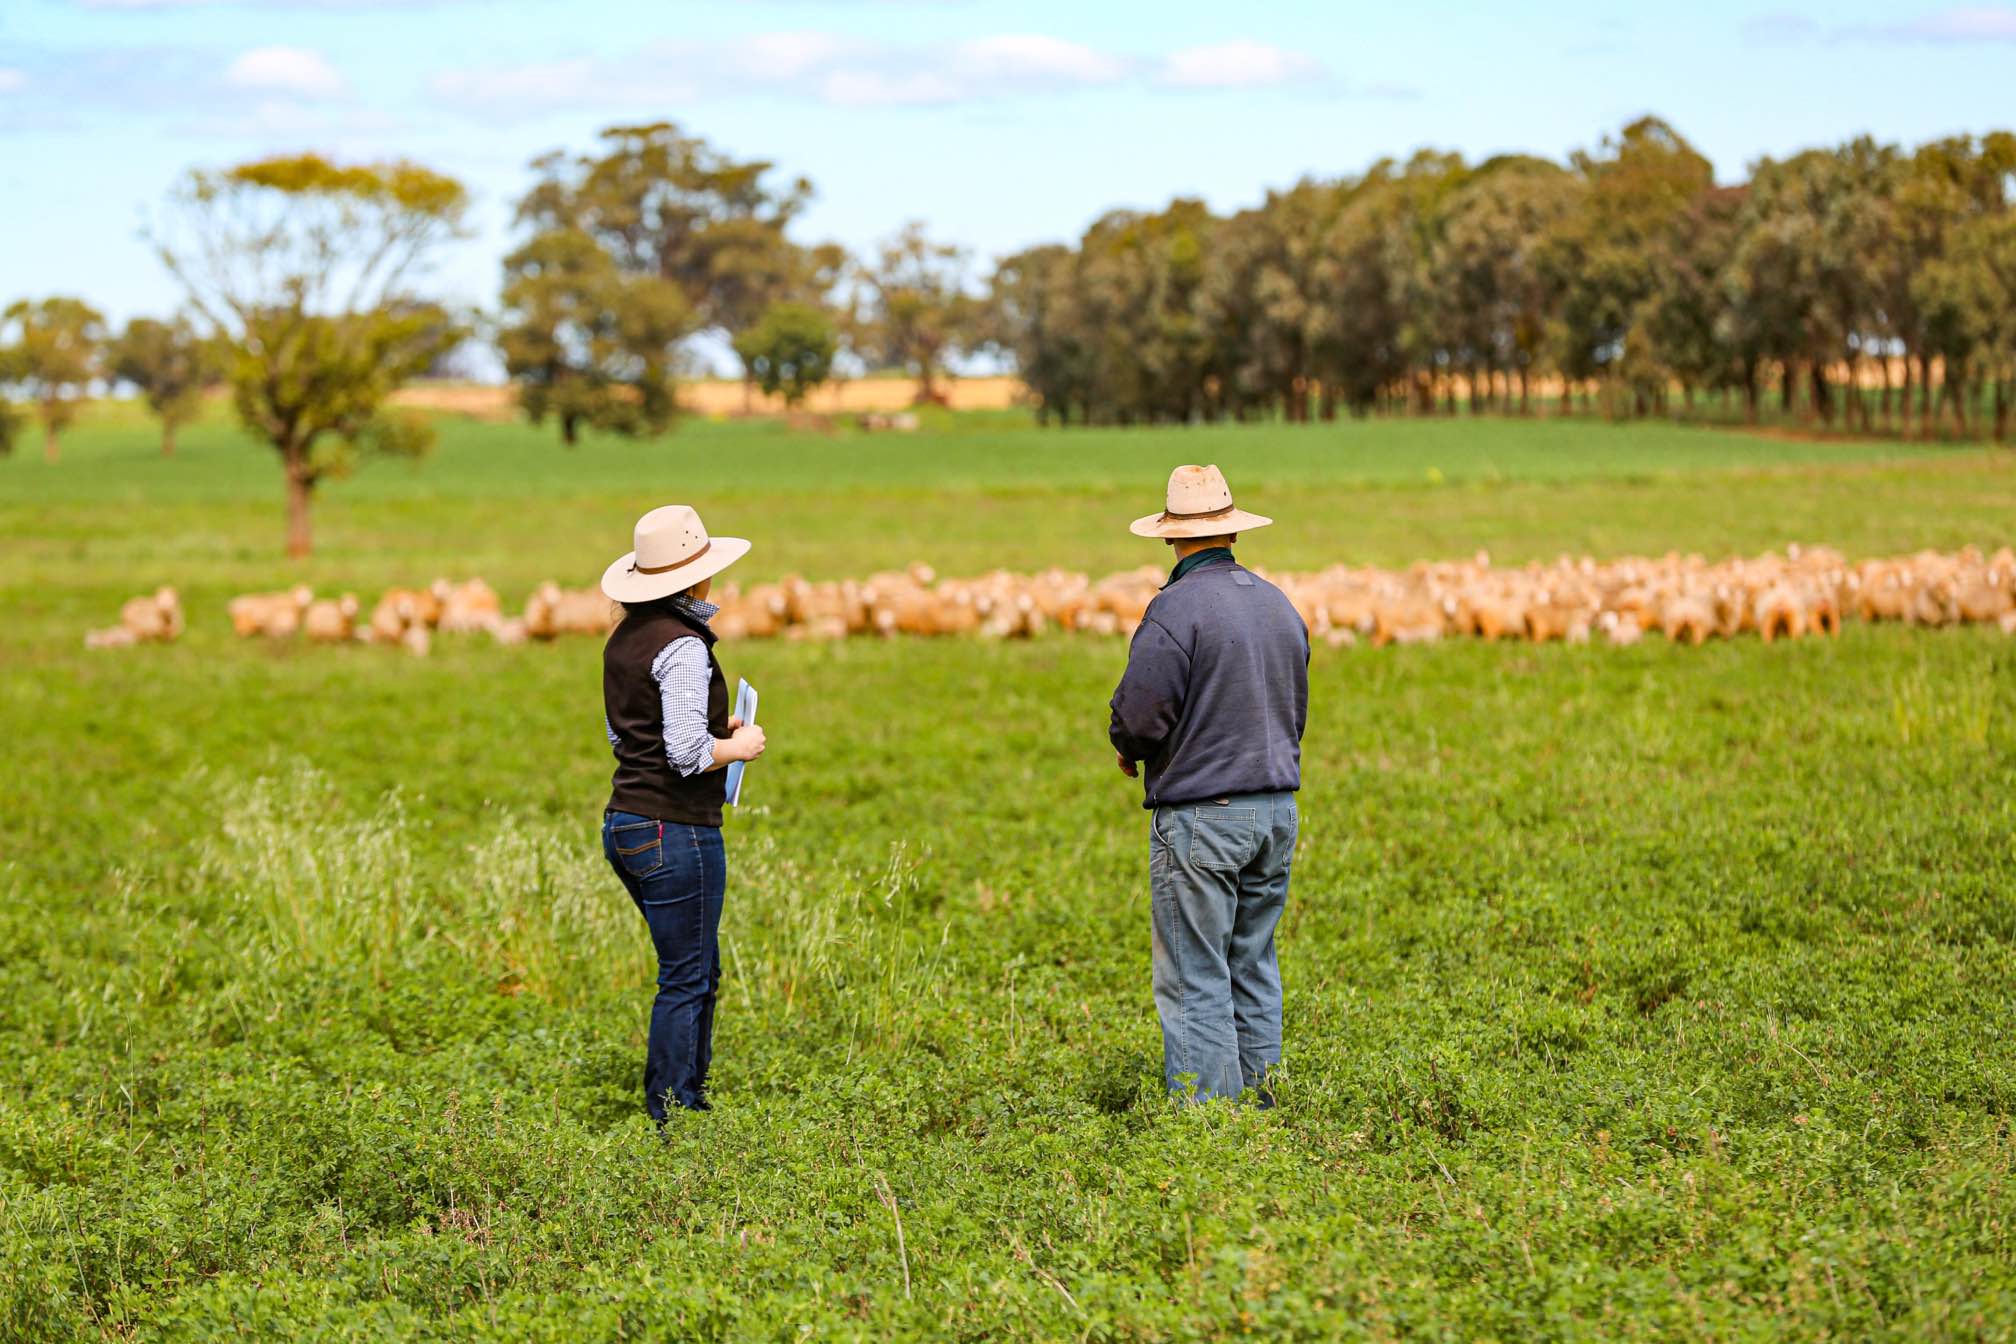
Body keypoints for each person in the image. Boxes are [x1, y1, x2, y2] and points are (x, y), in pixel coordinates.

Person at [1108, 465, 1309, 1104]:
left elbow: (1139, 716)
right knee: (1253, 963)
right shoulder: (1279, 604)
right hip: (1276, 810)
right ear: (1232, 530)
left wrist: (1129, 748)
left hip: (1203, 816)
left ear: (1170, 536)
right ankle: (1265, 1109)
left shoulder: (1174, 609)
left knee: (1195, 975)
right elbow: (1294, 706)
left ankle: (1212, 1130)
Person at [599, 504, 767, 1121]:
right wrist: (740, 746)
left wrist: (712, 726)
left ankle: (686, 1102)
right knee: (686, 978)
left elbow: (625, 735)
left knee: (696, 970)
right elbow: (687, 754)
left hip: (625, 823)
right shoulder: (684, 645)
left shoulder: (623, 639)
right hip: (676, 830)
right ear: (696, 577)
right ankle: (674, 1114)